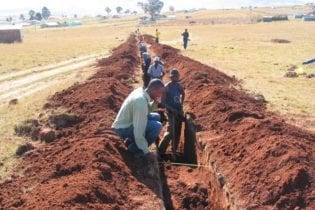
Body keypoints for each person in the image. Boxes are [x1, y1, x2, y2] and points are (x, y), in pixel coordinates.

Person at [112, 79, 165, 161]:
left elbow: (146, 111)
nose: (160, 95)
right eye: (159, 93)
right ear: (153, 89)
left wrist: (155, 103)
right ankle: (134, 150)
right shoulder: (140, 102)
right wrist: (146, 152)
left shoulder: (141, 91)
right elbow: (139, 131)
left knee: (156, 116)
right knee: (157, 126)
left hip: (128, 121)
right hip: (123, 128)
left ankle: (131, 142)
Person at [158, 69, 185, 157]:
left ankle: (174, 150)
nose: (175, 78)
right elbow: (162, 102)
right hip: (170, 112)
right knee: (170, 132)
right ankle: (160, 151)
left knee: (177, 131)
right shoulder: (167, 87)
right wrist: (171, 109)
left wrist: (181, 104)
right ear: (171, 77)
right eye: (173, 77)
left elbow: (183, 93)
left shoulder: (179, 86)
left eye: (177, 77)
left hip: (178, 112)